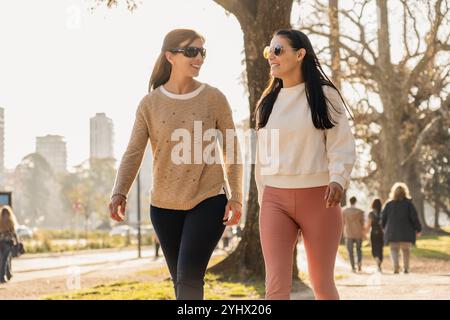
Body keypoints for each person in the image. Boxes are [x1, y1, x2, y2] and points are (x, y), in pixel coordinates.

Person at [108, 29, 243, 300]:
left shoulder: (214, 98)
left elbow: (232, 149)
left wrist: (237, 198)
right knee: (181, 283)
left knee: (189, 279)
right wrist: (119, 191)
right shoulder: (149, 104)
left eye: (202, 51)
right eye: (191, 51)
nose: (199, 58)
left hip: (208, 199)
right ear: (170, 56)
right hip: (163, 205)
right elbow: (134, 151)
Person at [255, 29, 356, 300]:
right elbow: (262, 159)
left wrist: (338, 178)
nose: (271, 57)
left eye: (278, 50)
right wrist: (262, 199)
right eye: (269, 51)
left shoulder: (324, 95)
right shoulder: (267, 102)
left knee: (322, 284)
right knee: (275, 288)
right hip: (275, 200)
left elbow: (340, 143)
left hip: (320, 198)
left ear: (300, 54)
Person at [382, 182, 422, 274]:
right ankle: (406, 268)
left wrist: (384, 228)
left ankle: (396, 266)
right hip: (406, 232)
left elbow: (383, 218)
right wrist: (418, 229)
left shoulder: (389, 204)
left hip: (392, 232)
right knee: (406, 251)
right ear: (405, 192)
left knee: (394, 250)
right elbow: (414, 218)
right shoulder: (409, 204)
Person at [342, 196, 365, 272]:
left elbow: (343, 222)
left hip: (348, 233)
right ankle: (359, 264)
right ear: (355, 202)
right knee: (359, 249)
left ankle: (353, 267)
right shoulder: (360, 211)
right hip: (358, 232)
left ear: (349, 201)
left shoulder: (345, 211)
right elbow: (362, 223)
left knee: (350, 251)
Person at [0, 206, 20, 283]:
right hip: (4, 244)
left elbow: (14, 234)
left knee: (4, 260)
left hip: (6, 244)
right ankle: (3, 276)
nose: (5, 216)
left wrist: (17, 242)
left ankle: (6, 275)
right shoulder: (9, 222)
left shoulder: (9, 222)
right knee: (4, 260)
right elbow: (14, 234)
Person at [365, 199, 384, 272]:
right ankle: (379, 264)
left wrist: (365, 232)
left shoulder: (371, 213)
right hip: (381, 233)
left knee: (374, 248)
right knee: (380, 248)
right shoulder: (382, 212)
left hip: (373, 232)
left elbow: (369, 224)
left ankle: (377, 262)